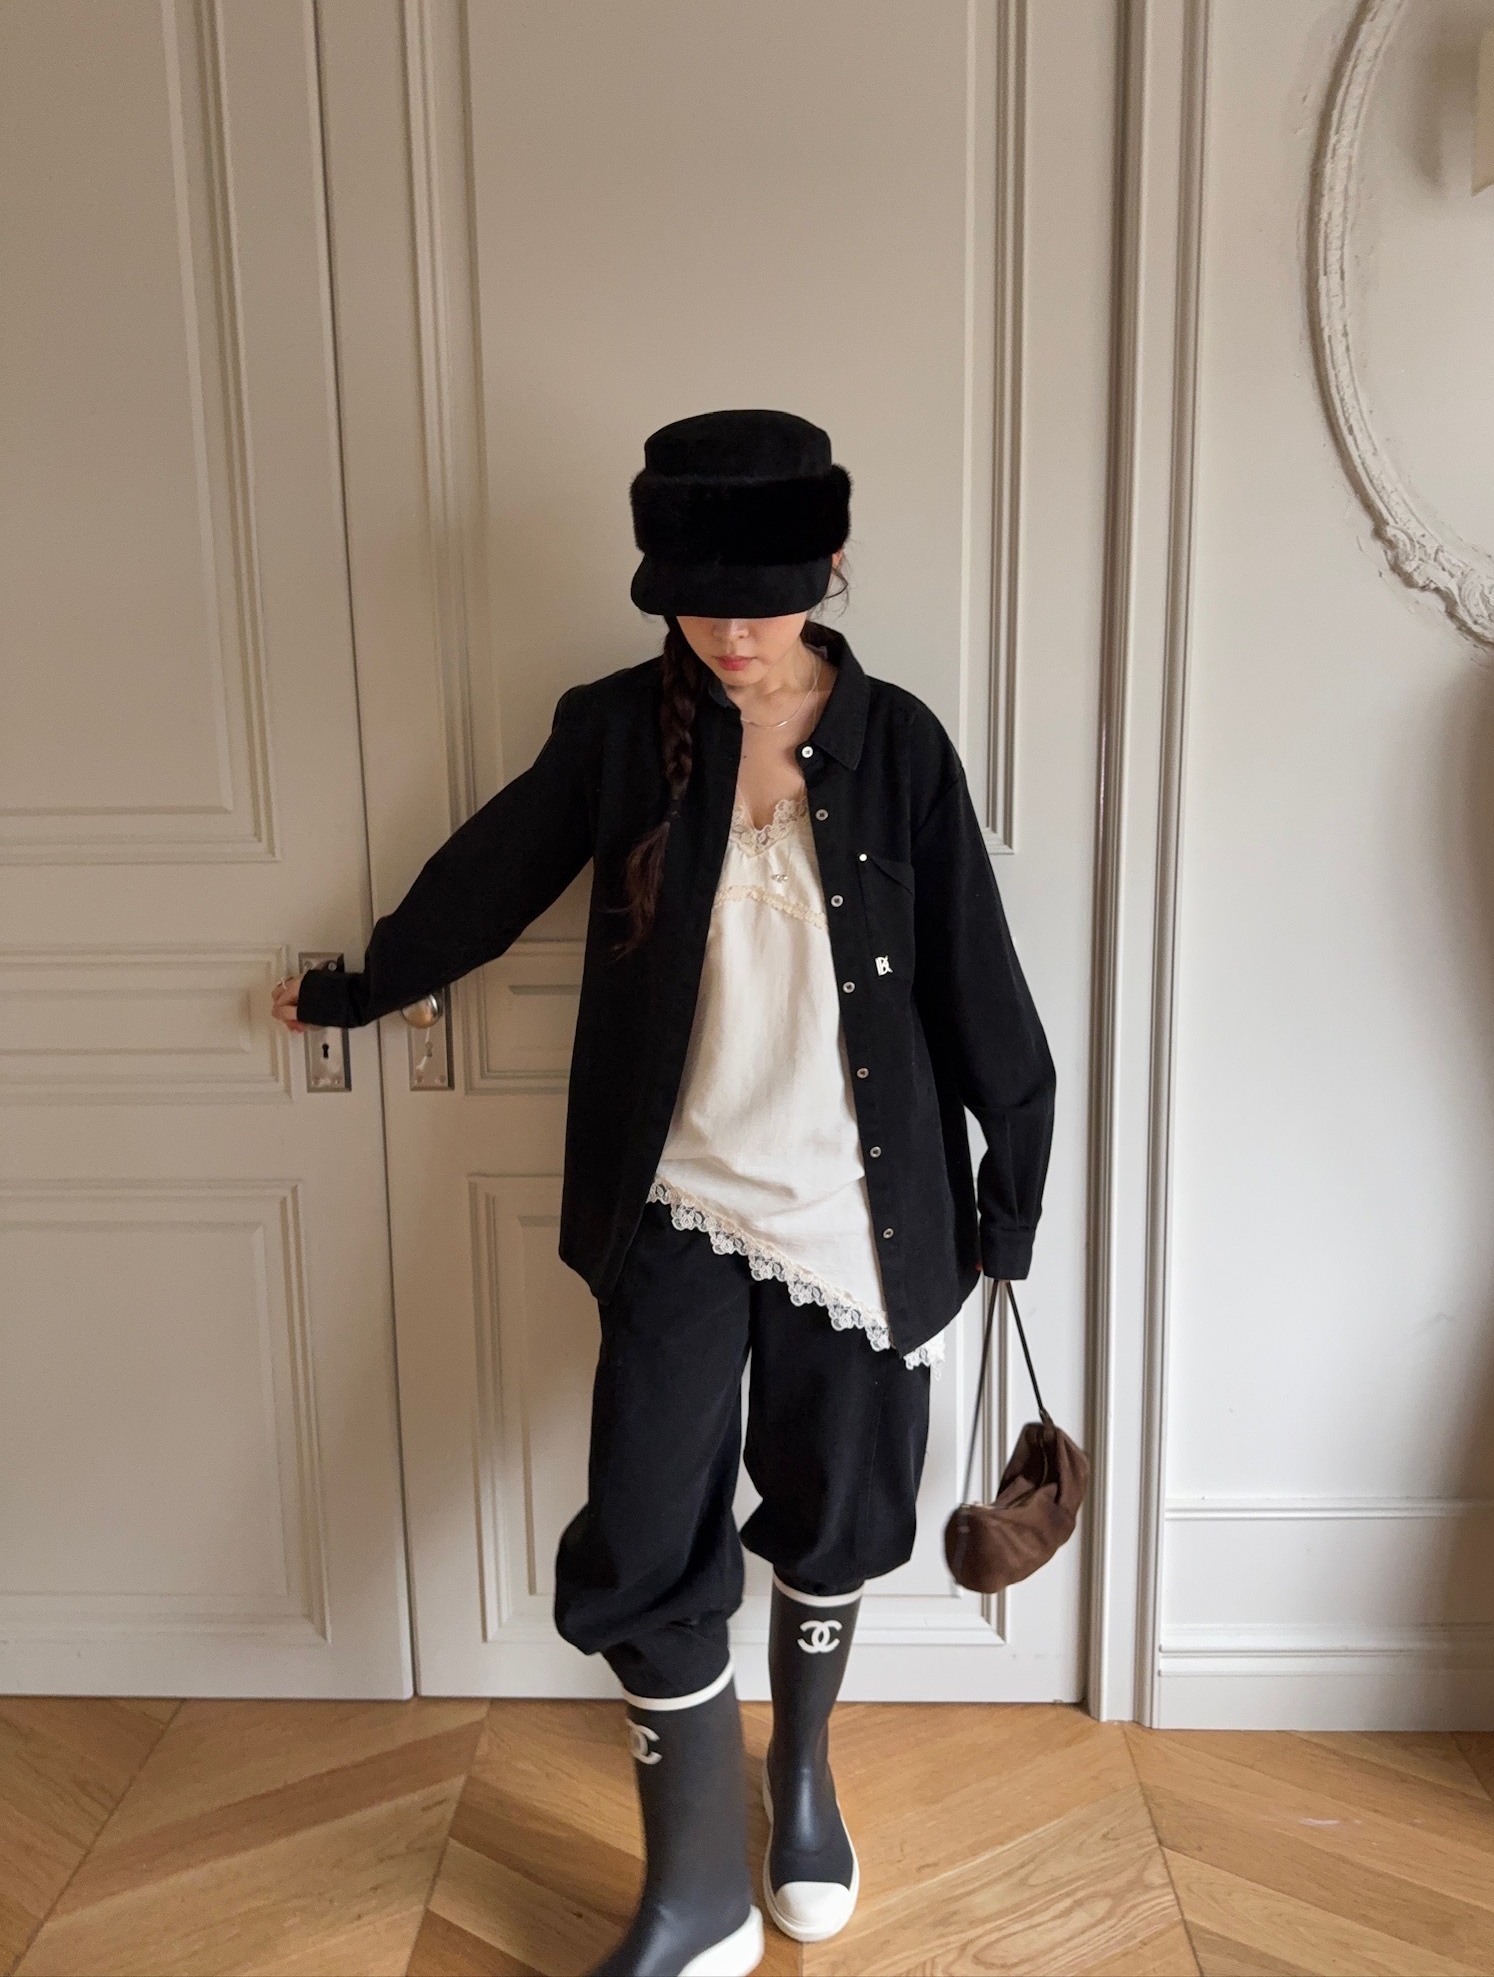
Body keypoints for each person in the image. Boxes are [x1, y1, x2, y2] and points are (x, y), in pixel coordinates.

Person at [272, 408, 1054, 1977]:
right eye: (701, 605)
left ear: (830, 564)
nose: (732, 636)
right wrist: (364, 988)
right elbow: (490, 877)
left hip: (863, 1223)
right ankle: (695, 1891)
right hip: (678, 1209)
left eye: (760, 603)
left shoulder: (899, 746)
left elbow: (978, 979)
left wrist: (1011, 1202)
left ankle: (803, 1784)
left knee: (839, 1510)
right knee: (638, 1532)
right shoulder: (620, 730)